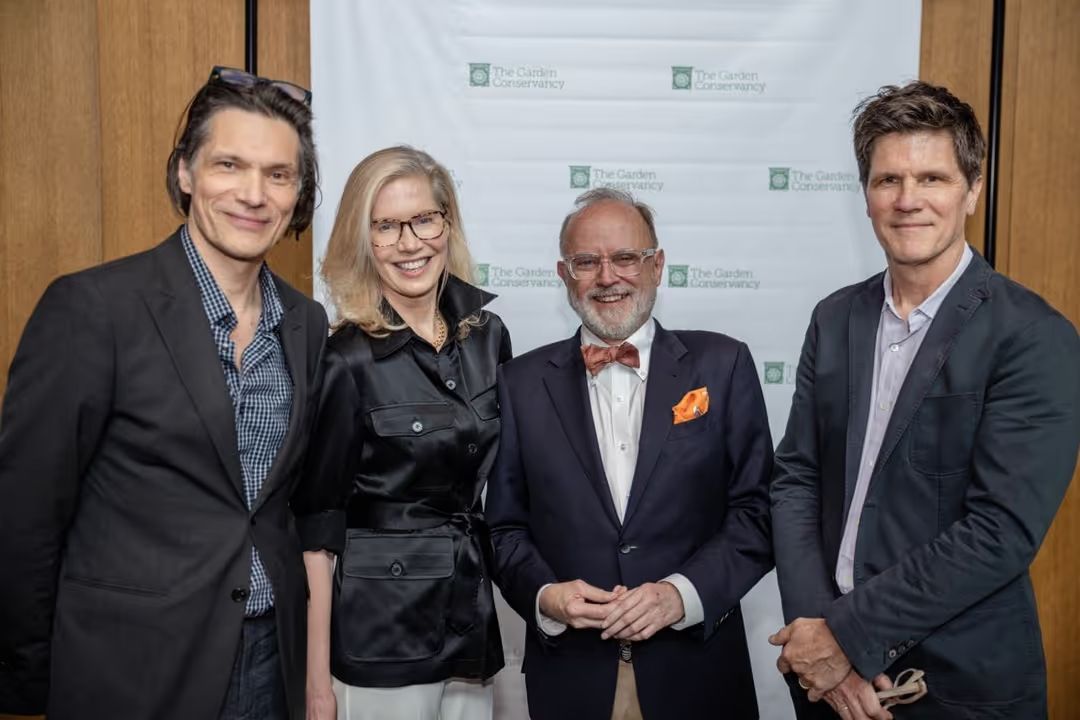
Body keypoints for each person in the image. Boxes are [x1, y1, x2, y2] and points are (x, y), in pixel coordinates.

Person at [0, 66, 328, 719]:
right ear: (185, 172)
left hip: (269, 662)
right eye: (229, 164)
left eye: (278, 174)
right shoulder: (93, 309)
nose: (253, 193)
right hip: (128, 667)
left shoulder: (306, 323)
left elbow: (287, 506)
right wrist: (29, 681)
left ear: (298, 192)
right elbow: (24, 515)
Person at [769, 80, 1080, 720]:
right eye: (888, 181)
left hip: (955, 688)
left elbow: (1000, 532)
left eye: (932, 179)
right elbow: (797, 478)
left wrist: (846, 636)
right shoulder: (835, 319)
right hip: (826, 681)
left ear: (972, 189)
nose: (908, 201)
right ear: (866, 195)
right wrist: (814, 633)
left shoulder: (1033, 336)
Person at [485, 188, 774, 720]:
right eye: (586, 262)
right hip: (571, 679)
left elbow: (757, 515)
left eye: (625, 258)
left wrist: (679, 595)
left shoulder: (723, 364)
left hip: (699, 674)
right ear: (563, 274)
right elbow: (503, 530)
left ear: (657, 265)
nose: (607, 276)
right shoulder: (519, 383)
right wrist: (546, 596)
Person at [296, 146, 509, 720]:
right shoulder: (345, 358)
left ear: (447, 222)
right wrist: (317, 682)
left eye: (423, 219)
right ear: (362, 239)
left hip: (469, 618)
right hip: (379, 632)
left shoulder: (488, 337)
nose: (410, 242)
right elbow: (318, 528)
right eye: (386, 226)